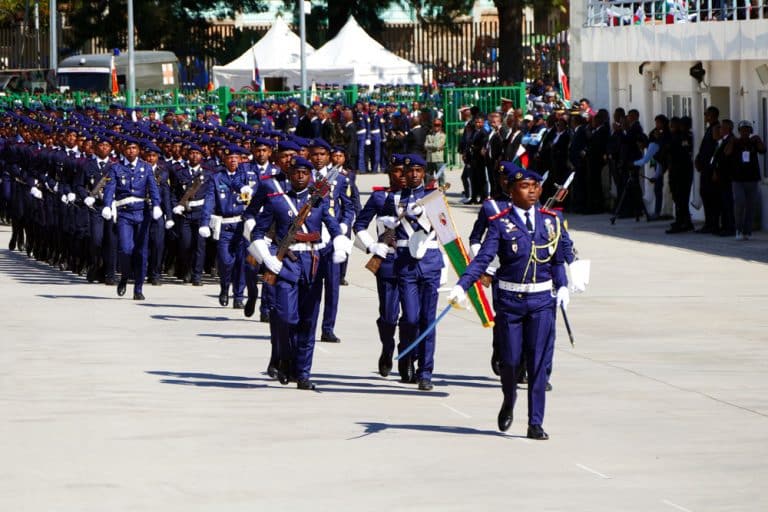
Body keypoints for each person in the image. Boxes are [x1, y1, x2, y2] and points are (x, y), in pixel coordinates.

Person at [447, 163, 570, 438]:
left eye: (535, 186)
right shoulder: (500, 223)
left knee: (537, 363)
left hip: (541, 301)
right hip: (510, 301)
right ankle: (509, 399)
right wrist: (462, 285)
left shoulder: (550, 220)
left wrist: (563, 286)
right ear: (511, 190)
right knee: (511, 361)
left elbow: (558, 259)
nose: (532, 192)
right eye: (525, 187)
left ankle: (535, 422)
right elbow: (483, 259)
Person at [248, 156, 349, 390]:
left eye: (305, 173)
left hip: (312, 262)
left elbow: (332, 225)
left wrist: (341, 242)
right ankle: (283, 357)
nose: (301, 176)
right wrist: (267, 257)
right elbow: (258, 232)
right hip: (287, 263)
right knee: (285, 317)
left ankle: (302, 373)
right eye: (296, 173)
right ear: (290, 175)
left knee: (308, 321)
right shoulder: (276, 201)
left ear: (311, 176)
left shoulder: (319, 202)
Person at [381, 154, 444, 391]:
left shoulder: (434, 197)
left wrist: (426, 215)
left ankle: (425, 372)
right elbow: (383, 228)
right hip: (405, 262)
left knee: (428, 320)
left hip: (429, 261)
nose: (414, 175)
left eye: (418, 171)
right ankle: (407, 354)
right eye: (410, 172)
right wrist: (390, 221)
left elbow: (445, 230)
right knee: (410, 317)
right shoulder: (394, 197)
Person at [352, 154, 407, 376]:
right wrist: (371, 247)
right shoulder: (379, 198)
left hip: (414, 262)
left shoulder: (424, 198)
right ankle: (387, 346)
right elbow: (359, 225)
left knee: (412, 316)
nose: (402, 176)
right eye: (398, 171)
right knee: (388, 315)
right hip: (388, 262)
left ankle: (406, 355)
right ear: (389, 173)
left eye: (407, 170)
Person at [101, 136, 163, 300]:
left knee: (141, 252)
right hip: (124, 213)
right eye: (128, 148)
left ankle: (138, 288)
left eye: (134, 148)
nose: (131, 151)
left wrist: (157, 205)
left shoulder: (146, 168)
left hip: (142, 213)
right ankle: (124, 277)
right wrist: (107, 205)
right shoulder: (116, 168)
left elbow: (153, 188)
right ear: (123, 150)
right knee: (126, 249)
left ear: (138, 150)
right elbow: (109, 188)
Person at [202, 145, 251, 309]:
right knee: (225, 261)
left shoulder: (246, 177)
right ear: (224, 159)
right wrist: (205, 222)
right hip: (224, 225)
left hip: (241, 224)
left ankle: (238, 296)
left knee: (241, 262)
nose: (233, 161)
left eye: (236, 158)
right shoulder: (216, 178)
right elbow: (209, 201)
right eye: (230, 158)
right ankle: (224, 286)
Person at [730, 121, 766, 240]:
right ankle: (738, 229)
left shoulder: (753, 142)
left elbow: (763, 150)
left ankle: (747, 231)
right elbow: (726, 153)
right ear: (739, 131)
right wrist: (732, 142)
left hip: (752, 179)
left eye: (747, 130)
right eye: (742, 130)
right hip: (738, 179)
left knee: (750, 206)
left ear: (750, 131)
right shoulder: (736, 142)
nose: (745, 132)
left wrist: (758, 140)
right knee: (740, 202)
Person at [665, 116, 695, 233]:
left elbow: (679, 152)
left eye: (674, 125)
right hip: (676, 171)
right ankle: (684, 221)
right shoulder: (675, 136)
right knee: (678, 198)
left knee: (681, 198)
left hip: (681, 172)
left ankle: (682, 222)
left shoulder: (684, 137)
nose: (672, 128)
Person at [694, 106, 721, 233]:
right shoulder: (710, 128)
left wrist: (714, 168)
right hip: (705, 168)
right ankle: (709, 223)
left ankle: (713, 224)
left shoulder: (716, 128)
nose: (705, 116)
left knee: (711, 196)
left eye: (707, 114)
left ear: (713, 116)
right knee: (705, 195)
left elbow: (716, 149)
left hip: (710, 169)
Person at [424, 118, 446, 189]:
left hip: (438, 159)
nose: (436, 126)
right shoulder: (429, 135)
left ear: (441, 126)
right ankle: (428, 191)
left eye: (438, 125)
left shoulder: (442, 135)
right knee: (428, 176)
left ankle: (442, 192)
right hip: (429, 159)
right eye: (435, 125)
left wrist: (430, 146)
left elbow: (437, 145)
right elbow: (425, 145)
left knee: (440, 177)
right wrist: (433, 146)